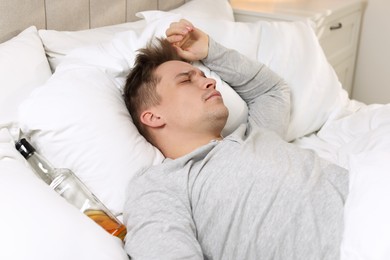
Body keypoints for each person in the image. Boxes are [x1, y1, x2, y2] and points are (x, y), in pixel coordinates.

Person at [122, 19, 348, 259]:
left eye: (202, 75)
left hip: (368, 198)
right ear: (153, 116)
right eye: (186, 80)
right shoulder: (161, 183)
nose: (210, 81)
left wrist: (210, 50)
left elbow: (271, 91)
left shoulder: (255, 138)